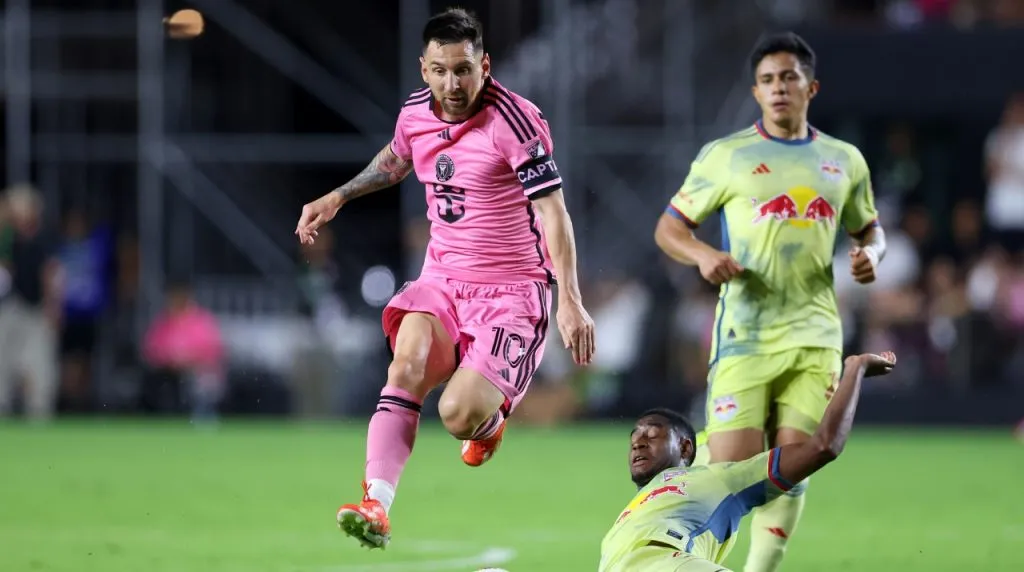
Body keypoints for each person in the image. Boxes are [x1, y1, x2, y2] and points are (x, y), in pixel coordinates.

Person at [294, 7, 595, 550]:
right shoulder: (415, 113)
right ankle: (376, 506)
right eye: (439, 70)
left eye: (463, 70)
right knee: (405, 361)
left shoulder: (516, 121)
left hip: (512, 292)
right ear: (423, 68)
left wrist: (569, 300)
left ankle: (487, 423)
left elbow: (554, 212)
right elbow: (395, 158)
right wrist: (337, 196)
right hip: (443, 280)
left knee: (456, 414)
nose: (451, 84)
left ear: (485, 64)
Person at [653, 32, 887, 572]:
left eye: (788, 77)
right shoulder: (727, 156)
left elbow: (871, 230)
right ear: (756, 93)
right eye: (767, 80)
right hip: (745, 333)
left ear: (812, 86)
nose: (778, 88)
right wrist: (702, 255)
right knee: (729, 470)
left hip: (815, 334)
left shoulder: (843, 160)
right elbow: (669, 229)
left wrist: (872, 253)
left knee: (793, 460)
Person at [599, 351, 896, 572]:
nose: (638, 441)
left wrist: (854, 371)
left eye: (652, 434)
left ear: (685, 447)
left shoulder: (720, 480)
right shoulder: (630, 514)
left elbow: (823, 446)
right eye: (634, 437)